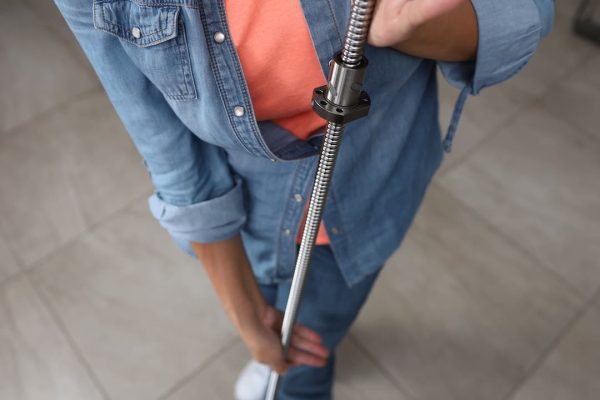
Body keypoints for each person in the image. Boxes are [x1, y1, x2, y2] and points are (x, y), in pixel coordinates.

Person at [55, 0, 554, 398]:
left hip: (368, 194)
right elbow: (167, 148)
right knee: (279, 348)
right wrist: (244, 312)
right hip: (251, 211)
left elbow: (525, 12)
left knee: (314, 353)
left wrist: (404, 27)